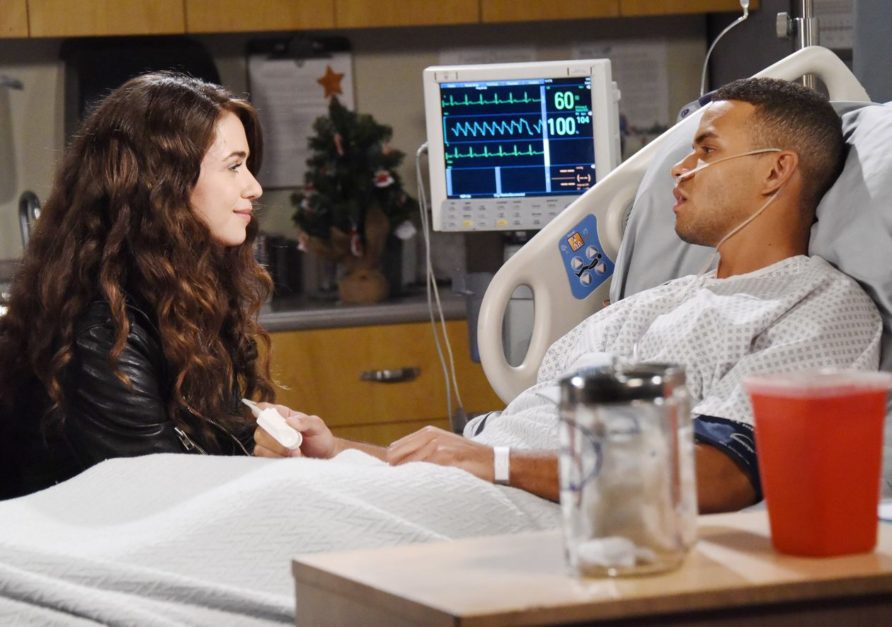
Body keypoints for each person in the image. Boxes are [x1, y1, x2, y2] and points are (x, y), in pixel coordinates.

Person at [254, 78, 882, 514]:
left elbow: (722, 475)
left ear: (776, 169)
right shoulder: (651, 304)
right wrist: (340, 450)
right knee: (251, 484)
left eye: (706, 150)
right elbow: (489, 444)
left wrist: (497, 465)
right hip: (470, 487)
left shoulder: (817, 305)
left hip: (549, 511)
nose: (679, 168)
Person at [0, 72, 274, 499]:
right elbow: (160, 495)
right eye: (234, 166)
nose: (253, 187)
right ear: (163, 182)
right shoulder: (103, 331)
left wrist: (257, 435)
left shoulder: (177, 297)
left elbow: (199, 442)